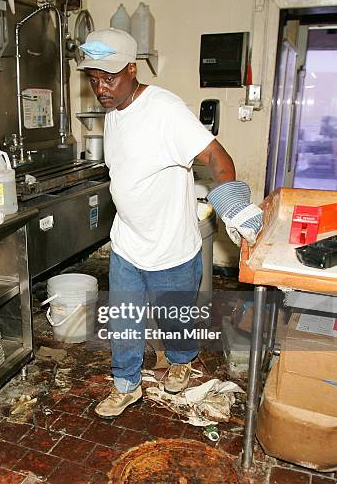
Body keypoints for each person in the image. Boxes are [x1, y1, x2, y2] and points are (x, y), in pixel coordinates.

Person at [77, 28, 263, 419]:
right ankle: (126, 384)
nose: (101, 88)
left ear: (132, 68)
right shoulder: (114, 111)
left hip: (172, 248)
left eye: (109, 78)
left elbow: (218, 159)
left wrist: (234, 206)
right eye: (94, 80)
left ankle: (181, 360)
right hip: (127, 243)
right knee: (124, 323)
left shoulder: (165, 110)